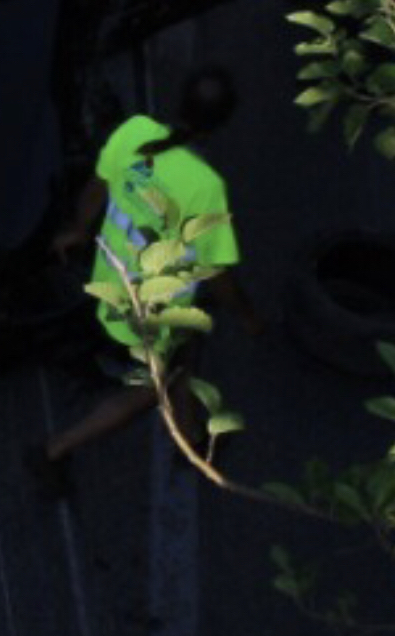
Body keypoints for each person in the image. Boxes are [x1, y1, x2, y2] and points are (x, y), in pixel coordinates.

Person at [24, 67, 262, 496]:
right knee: (150, 389)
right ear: (222, 123)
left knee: (185, 356)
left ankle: (191, 438)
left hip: (113, 282)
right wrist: (246, 315)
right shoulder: (205, 186)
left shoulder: (134, 132)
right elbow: (219, 272)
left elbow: (97, 188)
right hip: (149, 313)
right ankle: (55, 449)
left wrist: (79, 228)